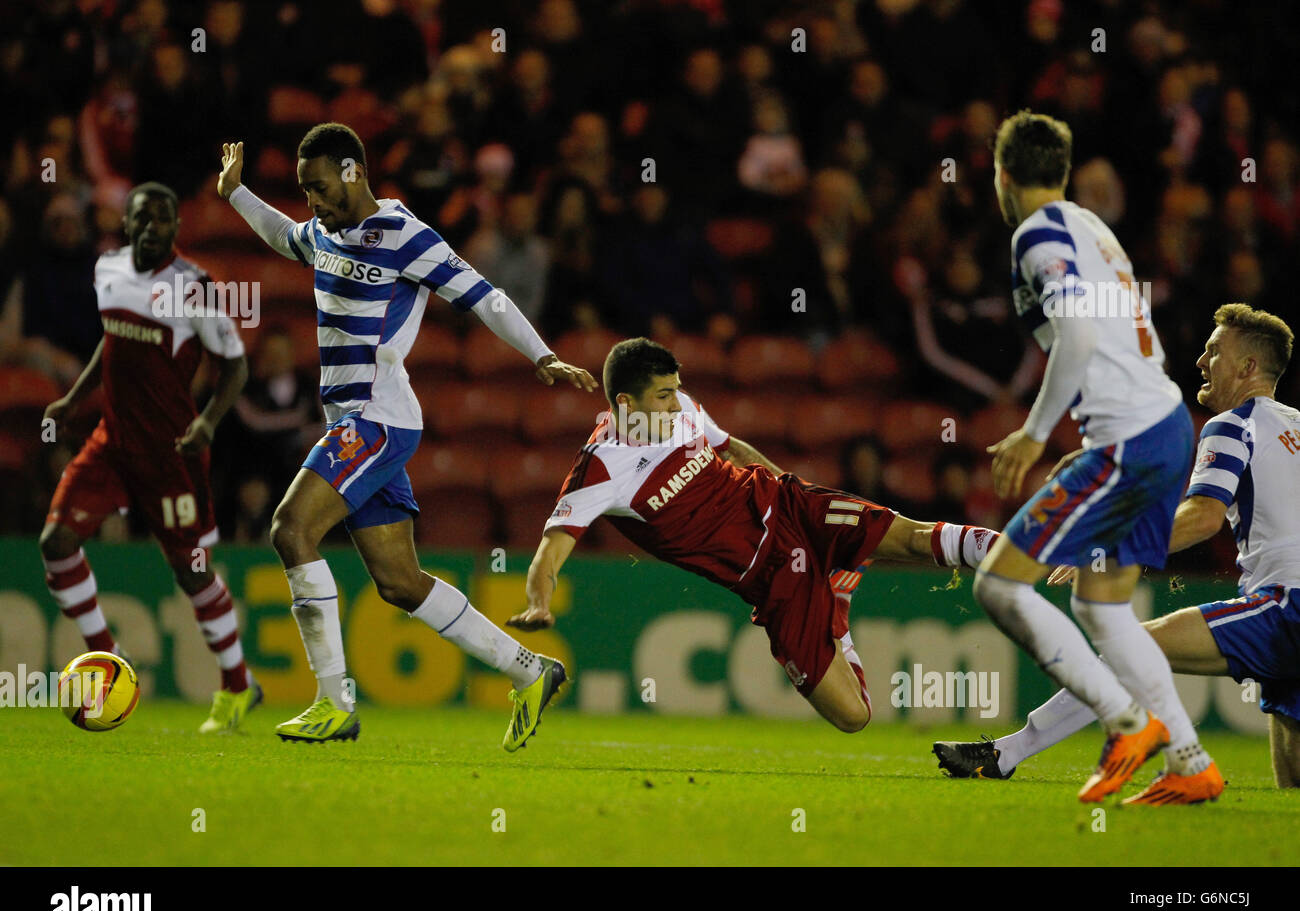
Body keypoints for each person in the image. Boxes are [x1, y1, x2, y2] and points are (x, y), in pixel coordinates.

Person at [217, 124, 597, 749]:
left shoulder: (403, 234)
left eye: (317, 188)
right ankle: (531, 672)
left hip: (377, 419)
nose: (311, 202)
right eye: (303, 191)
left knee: (290, 529)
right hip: (357, 423)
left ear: (352, 172)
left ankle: (332, 702)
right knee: (398, 581)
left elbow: (484, 295)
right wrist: (237, 194)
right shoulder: (325, 233)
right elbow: (286, 238)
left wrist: (541, 354)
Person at [508, 338, 1003, 732]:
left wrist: (796, 491)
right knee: (854, 718)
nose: (675, 401)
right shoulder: (600, 470)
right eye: (662, 395)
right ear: (625, 403)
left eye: (676, 389)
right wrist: (539, 602)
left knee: (917, 540)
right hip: (770, 580)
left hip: (790, 508)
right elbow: (549, 555)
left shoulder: (682, 407)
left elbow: (736, 450)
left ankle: (1028, 548)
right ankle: (835, 601)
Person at [938, 305, 1300, 789]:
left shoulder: (1233, 424)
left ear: (1247, 368)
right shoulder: (1293, 426)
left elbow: (1202, 517)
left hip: (1285, 607)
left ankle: (1006, 753)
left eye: (1214, 351)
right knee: (1292, 789)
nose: (1200, 360)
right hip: (1284, 612)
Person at [975, 110, 1222, 805]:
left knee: (998, 586)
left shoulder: (1037, 233)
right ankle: (1191, 760)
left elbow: (1079, 338)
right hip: (1167, 425)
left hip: (1128, 440)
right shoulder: (1089, 225)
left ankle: (1125, 719)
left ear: (1003, 176)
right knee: (1103, 609)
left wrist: (1032, 434)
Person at [40, 181, 258, 734]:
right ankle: (109, 661)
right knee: (57, 543)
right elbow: (110, 340)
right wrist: (75, 397)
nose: (151, 227)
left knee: (193, 574)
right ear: (128, 222)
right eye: (142, 217)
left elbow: (234, 366)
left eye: (162, 219)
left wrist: (208, 421)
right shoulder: (108, 268)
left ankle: (238, 686)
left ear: (176, 228)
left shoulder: (195, 288)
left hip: (172, 457)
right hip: (112, 444)